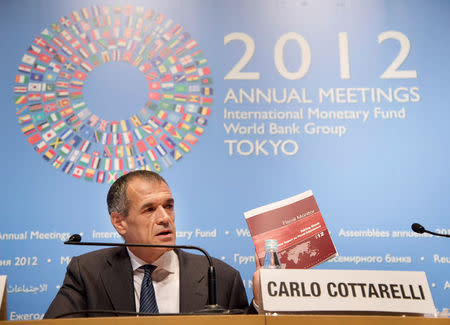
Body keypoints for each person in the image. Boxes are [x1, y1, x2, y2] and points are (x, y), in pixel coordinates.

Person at [44, 170, 250, 318]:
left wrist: (259, 303)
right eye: (149, 209)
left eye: (168, 206)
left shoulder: (220, 276)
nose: (164, 218)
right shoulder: (87, 273)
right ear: (119, 222)